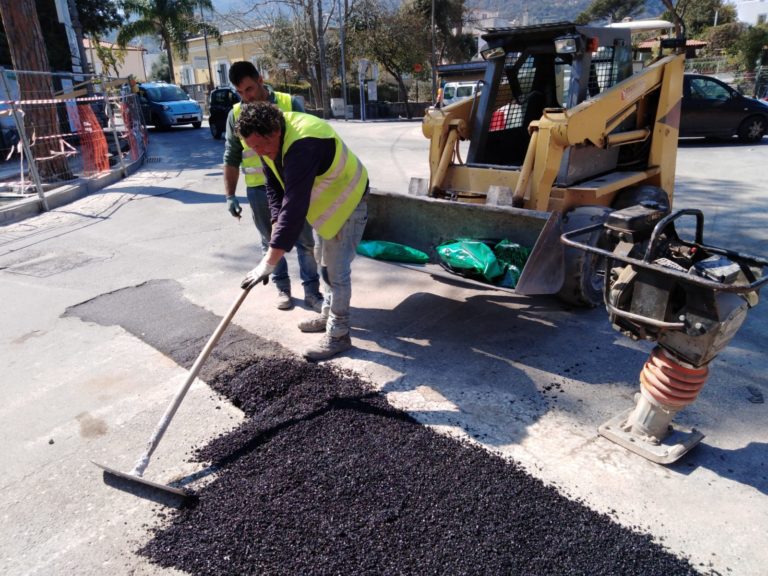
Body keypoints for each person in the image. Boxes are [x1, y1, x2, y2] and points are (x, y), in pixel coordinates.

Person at [237, 102, 369, 361]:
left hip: (348, 198)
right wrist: (275, 223)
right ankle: (328, 316)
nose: (258, 152)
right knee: (324, 265)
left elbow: (294, 206)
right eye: (252, 147)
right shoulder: (268, 141)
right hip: (326, 205)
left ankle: (339, 334)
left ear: (274, 132)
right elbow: (275, 189)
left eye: (260, 146)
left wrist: (269, 262)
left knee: (337, 270)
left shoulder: (303, 143)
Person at [223, 61, 323, 312]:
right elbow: (231, 157)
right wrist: (230, 195)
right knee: (270, 241)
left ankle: (312, 291)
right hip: (259, 189)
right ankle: (282, 289)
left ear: (260, 79)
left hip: (294, 184)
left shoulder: (289, 104)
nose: (246, 97)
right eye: (240, 93)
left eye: (249, 89)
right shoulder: (236, 114)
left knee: (305, 241)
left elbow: (311, 141)